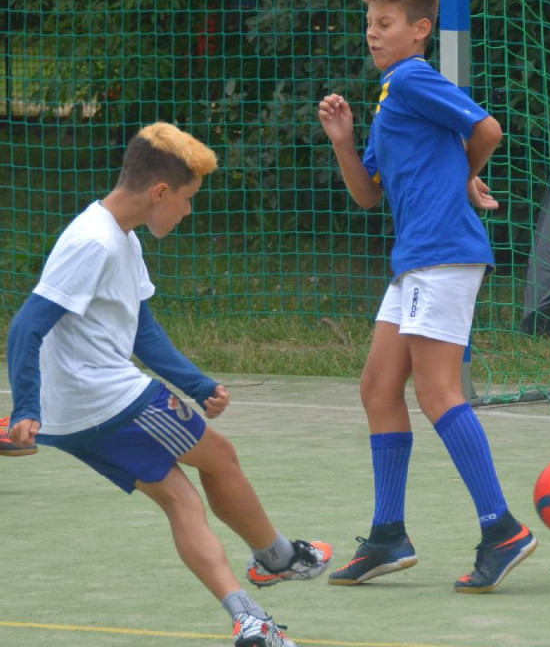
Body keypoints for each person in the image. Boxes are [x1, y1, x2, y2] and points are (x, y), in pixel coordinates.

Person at [5, 123, 333, 647]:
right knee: (220, 457)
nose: (188, 211)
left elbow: (142, 331)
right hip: (109, 399)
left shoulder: (122, 238)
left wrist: (197, 384)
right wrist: (25, 407)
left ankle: (250, 618)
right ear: (159, 192)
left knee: (182, 501)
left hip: (76, 417)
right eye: (186, 199)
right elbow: (26, 325)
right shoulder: (92, 241)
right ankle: (277, 559)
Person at [318, 0, 536, 594]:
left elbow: (487, 130)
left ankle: (503, 530)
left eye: (385, 25)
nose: (373, 35)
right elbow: (367, 195)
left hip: (442, 253)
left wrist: (460, 178)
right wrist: (344, 141)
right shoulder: (391, 100)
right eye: (369, 25)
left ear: (419, 31)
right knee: (378, 387)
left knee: (438, 393)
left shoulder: (412, 77)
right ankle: (389, 534)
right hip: (414, 259)